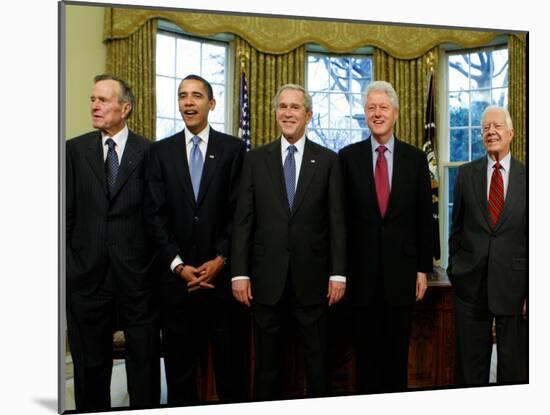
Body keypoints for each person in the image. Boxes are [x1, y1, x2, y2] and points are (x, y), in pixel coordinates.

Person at [231, 84, 347, 400]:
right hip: (267, 282)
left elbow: (337, 221)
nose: (288, 113)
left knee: (317, 364)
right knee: (267, 368)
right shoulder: (255, 159)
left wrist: (338, 273)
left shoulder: (327, 161)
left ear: (308, 115)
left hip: (313, 282)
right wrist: (239, 273)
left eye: (295, 107)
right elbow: (244, 219)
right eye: (282, 107)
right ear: (275, 113)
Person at [145, 74, 249, 405]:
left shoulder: (233, 149)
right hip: (177, 285)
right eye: (182, 96)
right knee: (179, 376)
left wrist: (221, 259)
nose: (188, 102)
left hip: (221, 285)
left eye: (197, 96)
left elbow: (240, 212)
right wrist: (178, 266)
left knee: (230, 374)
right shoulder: (159, 152)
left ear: (211, 104)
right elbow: (154, 215)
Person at [66, 74, 159, 411]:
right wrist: (72, 267)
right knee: (90, 366)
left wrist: (149, 267)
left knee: (144, 364)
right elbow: (65, 216)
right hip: (87, 277)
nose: (94, 105)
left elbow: (156, 216)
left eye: (103, 100)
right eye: (93, 99)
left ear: (125, 108)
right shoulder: (73, 150)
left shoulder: (149, 152)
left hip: (137, 277)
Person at [339, 80, 433, 393]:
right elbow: (340, 221)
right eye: (371, 108)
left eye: (383, 107)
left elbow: (424, 217)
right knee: (366, 363)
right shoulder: (347, 158)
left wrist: (423, 268)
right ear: (365, 114)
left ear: (395, 113)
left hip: (402, 277)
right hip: (360, 278)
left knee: (396, 360)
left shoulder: (415, 159)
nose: (377, 113)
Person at [448, 106, 527, 385]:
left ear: (511, 133)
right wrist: (455, 269)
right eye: (485, 128)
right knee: (471, 372)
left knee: (515, 373)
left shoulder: (529, 178)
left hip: (515, 290)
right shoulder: (467, 175)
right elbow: (455, 229)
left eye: (496, 126)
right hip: (471, 286)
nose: (491, 132)